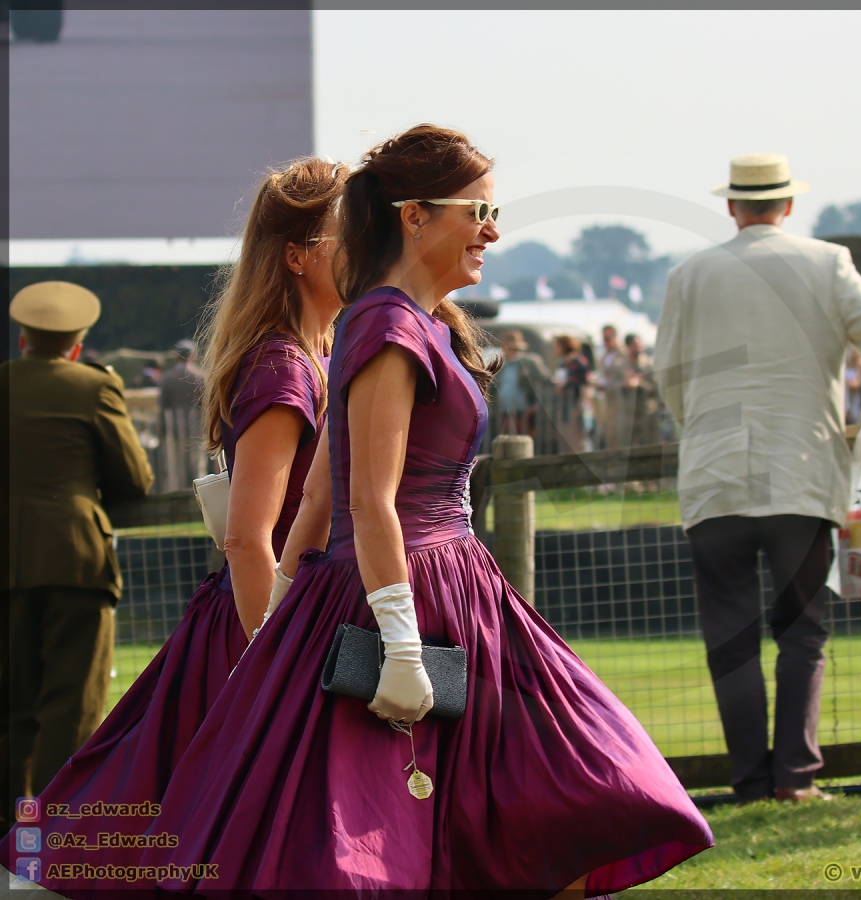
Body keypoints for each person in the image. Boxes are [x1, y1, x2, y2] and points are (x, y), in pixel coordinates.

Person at [126, 125, 711, 896]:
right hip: (406, 595)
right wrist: (395, 637)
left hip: (453, 587)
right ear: (414, 215)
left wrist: (285, 621)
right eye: (477, 211)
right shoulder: (387, 323)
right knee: (391, 842)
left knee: (560, 798)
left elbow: (320, 499)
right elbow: (361, 499)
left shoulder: (409, 322)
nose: (493, 230)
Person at [2, 158, 347, 878]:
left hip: (26, 563)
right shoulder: (286, 365)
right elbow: (231, 527)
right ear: (295, 254)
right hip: (218, 602)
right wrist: (277, 667)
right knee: (80, 725)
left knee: (40, 731)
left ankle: (25, 847)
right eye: (348, 231)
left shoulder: (317, 353)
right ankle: (33, 854)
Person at [656, 152, 861, 804]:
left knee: (730, 640)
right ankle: (795, 779)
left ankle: (749, 780)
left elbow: (667, 374)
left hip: (715, 478)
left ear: (731, 206)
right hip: (800, 473)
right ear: (789, 204)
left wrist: (699, 430)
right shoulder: (826, 263)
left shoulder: (691, 273)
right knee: (802, 634)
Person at [0, 281, 153, 830]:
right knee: (72, 705)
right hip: (74, 560)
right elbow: (134, 479)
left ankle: (7, 834)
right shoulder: (94, 388)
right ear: (74, 345)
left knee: (12, 708)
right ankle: (49, 834)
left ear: (23, 340)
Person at [157, 338, 208, 491]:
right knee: (198, 465)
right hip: (196, 427)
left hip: (173, 428)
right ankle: (200, 495)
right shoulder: (200, 377)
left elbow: (162, 406)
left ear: (176, 356)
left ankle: (177, 494)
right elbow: (205, 405)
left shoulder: (167, 378)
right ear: (192, 355)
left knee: (175, 466)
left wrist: (162, 430)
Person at [492, 327, 549, 437]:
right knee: (506, 439)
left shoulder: (530, 362)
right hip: (504, 411)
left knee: (524, 439)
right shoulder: (500, 365)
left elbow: (545, 382)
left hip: (525, 411)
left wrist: (536, 405)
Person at [551, 332, 592, 454]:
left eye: (556, 345)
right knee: (564, 439)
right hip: (564, 405)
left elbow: (584, 384)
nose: (554, 348)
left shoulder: (579, 362)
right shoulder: (563, 362)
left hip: (576, 404)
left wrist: (580, 406)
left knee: (576, 440)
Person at [595, 323, 631, 449]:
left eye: (609, 338)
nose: (606, 342)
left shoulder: (623, 355)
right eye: (604, 338)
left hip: (622, 399)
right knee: (610, 432)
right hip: (609, 399)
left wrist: (608, 385)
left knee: (621, 432)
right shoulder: (604, 356)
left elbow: (626, 377)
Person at [621, 333, 661, 446]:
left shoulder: (648, 365)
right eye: (634, 345)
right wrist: (625, 383)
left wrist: (640, 383)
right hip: (629, 414)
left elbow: (656, 388)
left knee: (650, 445)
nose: (638, 348)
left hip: (647, 412)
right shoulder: (622, 366)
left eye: (639, 345)